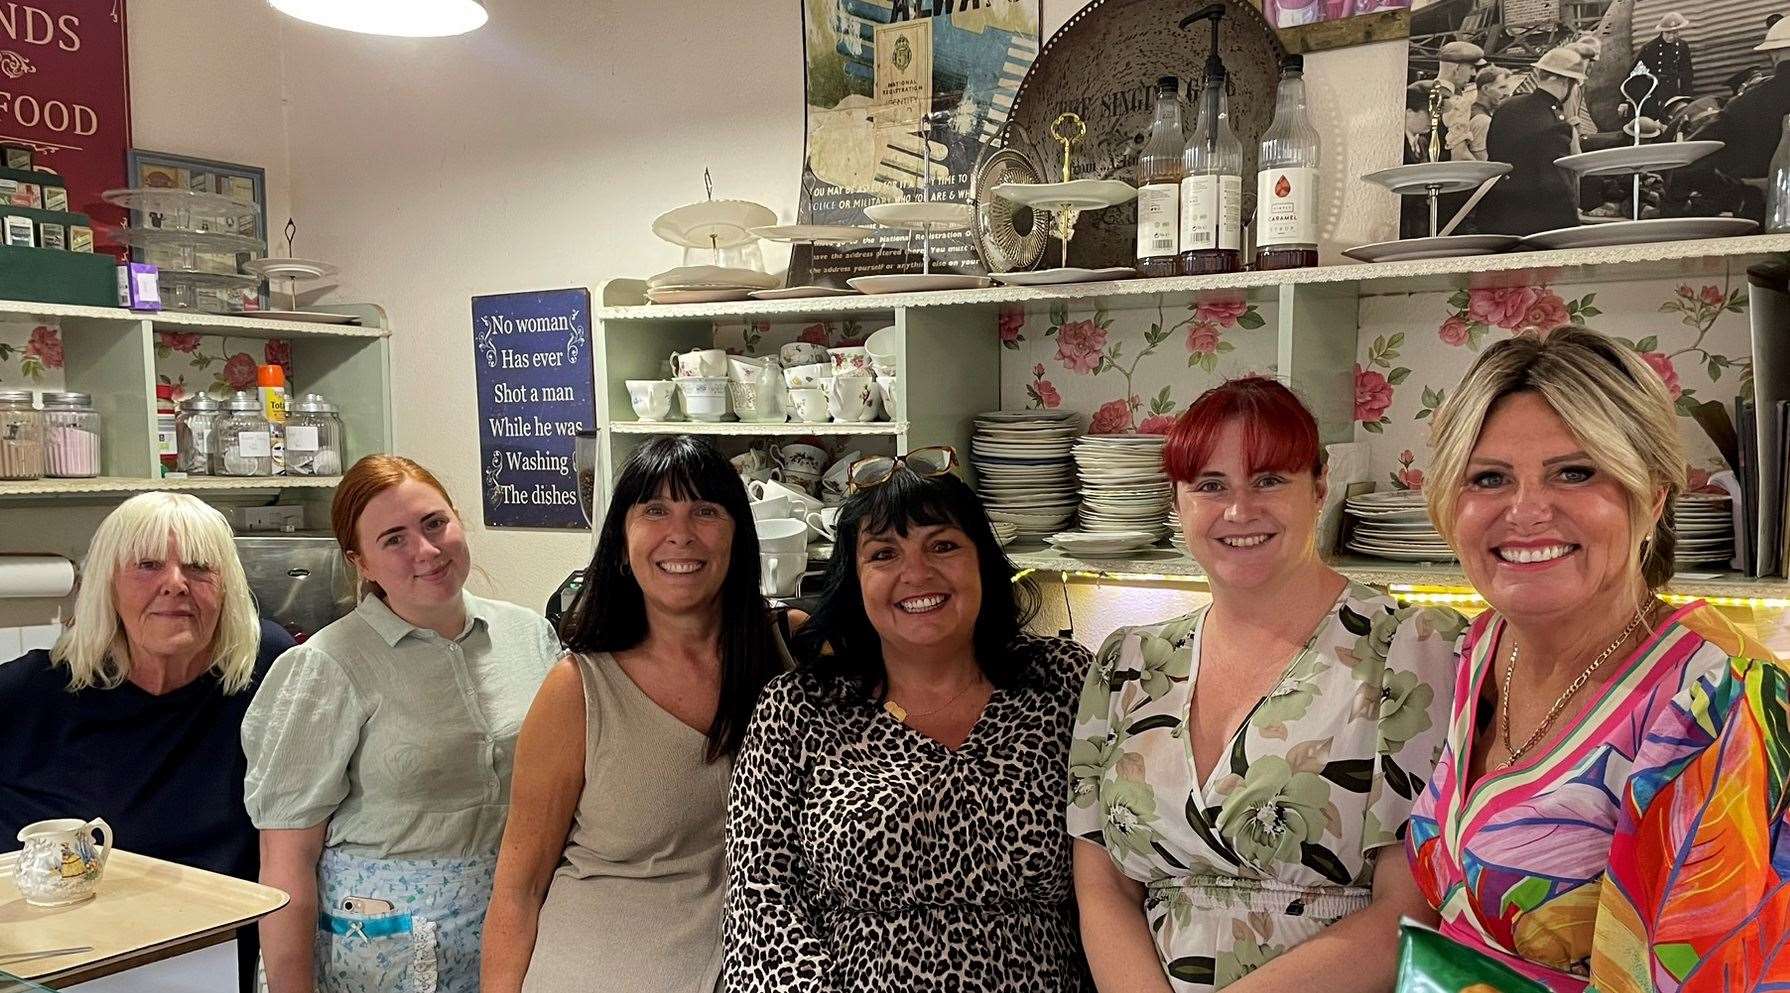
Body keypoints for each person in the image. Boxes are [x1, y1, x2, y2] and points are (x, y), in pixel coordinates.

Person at [1407, 327, 1789, 992]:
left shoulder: (1719, 700)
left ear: (1656, 494)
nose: (1525, 510)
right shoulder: (1487, 644)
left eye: (1576, 472)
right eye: (1489, 478)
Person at [1070, 377, 1466, 993]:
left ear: (1320, 486)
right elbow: (1104, 885)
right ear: (1177, 502)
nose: (1239, 510)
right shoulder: (1128, 661)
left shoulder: (1411, 649)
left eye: (1269, 480)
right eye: (1209, 486)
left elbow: (1409, 909)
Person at [725, 447, 1094, 993]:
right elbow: (762, 901)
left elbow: (1121, 872)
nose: (916, 574)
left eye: (942, 546)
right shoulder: (796, 709)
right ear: (853, 578)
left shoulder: (1064, 683)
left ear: (983, 564)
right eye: (883, 555)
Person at [483, 436, 792, 993]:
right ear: (622, 544)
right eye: (654, 510)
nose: (680, 532)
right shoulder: (577, 689)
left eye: (705, 510)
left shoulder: (786, 653)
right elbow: (519, 887)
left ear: (738, 536)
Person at [244, 455, 560, 993]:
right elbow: (286, 862)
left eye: (435, 523)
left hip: (519, 932)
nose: (427, 551)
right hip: (382, 954)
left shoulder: (527, 635)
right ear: (359, 561)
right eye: (393, 539)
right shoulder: (325, 666)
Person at [0, 492, 295, 993]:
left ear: (227, 588)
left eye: (201, 568)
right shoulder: (30, 696)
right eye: (148, 565)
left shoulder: (266, 668)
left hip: (216, 956)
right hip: (68, 965)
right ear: (107, 585)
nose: (175, 584)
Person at [1477, 46, 1587, 235]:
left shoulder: (1506, 107)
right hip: (1540, 225)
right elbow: (1559, 184)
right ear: (1567, 82)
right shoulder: (1555, 124)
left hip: (1498, 216)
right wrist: (1572, 225)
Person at [1633, 13, 1695, 106]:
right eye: (1668, 33)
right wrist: (1626, 100)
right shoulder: (1650, 48)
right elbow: (1634, 73)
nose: (1671, 36)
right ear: (1662, 31)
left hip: (1675, 92)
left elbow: (1687, 73)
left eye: (1674, 33)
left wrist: (1687, 98)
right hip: (1655, 93)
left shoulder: (1683, 46)